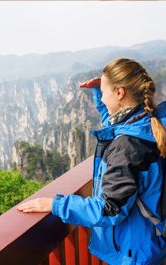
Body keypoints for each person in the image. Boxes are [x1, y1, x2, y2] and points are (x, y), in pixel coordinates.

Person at [17, 58, 166, 265]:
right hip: (151, 240)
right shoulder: (151, 121)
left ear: (120, 93)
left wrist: (56, 205)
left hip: (134, 254)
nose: (103, 99)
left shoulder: (127, 148)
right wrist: (99, 92)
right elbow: (119, 124)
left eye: (104, 93)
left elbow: (108, 209)